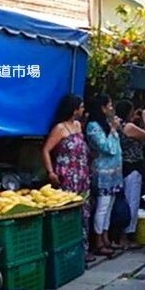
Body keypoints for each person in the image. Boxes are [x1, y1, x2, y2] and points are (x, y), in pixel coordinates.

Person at [41, 94, 95, 264]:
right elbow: (45, 150)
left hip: (82, 175)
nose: (83, 109)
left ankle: (83, 251)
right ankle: (69, 252)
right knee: (69, 214)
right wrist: (51, 172)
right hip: (67, 176)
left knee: (84, 214)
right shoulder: (59, 129)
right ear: (74, 109)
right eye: (81, 107)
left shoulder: (78, 126)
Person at [85, 94, 123, 256]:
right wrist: (113, 129)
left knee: (108, 207)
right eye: (109, 105)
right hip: (103, 173)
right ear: (101, 108)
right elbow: (108, 148)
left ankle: (106, 238)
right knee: (102, 208)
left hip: (113, 172)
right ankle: (98, 241)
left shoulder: (104, 124)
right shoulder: (93, 127)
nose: (111, 108)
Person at [114, 101, 145, 249]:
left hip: (122, 167)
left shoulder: (118, 125)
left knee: (123, 201)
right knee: (131, 202)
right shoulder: (129, 127)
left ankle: (120, 235)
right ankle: (125, 237)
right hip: (132, 168)